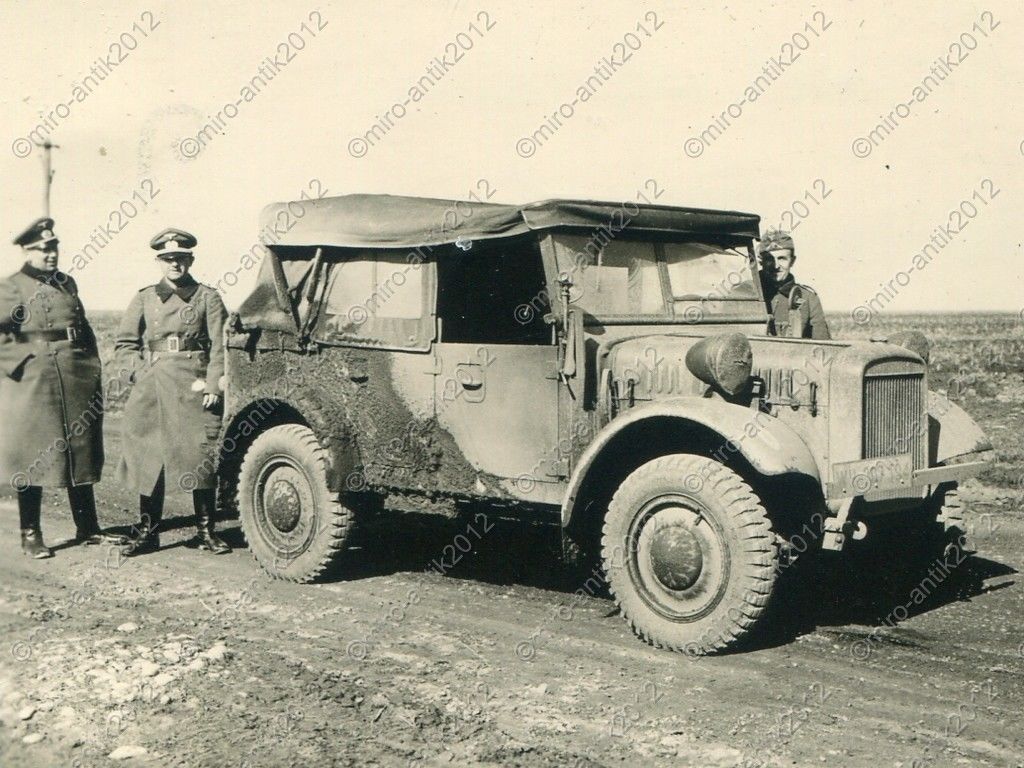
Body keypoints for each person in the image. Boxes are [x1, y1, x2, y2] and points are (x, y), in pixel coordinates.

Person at [0, 218, 120, 558]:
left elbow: (82, 327)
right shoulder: (11, 286)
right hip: (33, 380)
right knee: (33, 455)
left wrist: (93, 364)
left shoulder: (67, 283)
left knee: (80, 450)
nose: (50, 254)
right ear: (26, 251)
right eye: (42, 249)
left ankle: (88, 527)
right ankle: (30, 533)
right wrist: (20, 363)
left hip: (74, 374)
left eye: (53, 247)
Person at [116, 228, 230, 556]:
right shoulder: (144, 297)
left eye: (180, 258)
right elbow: (125, 344)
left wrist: (214, 384)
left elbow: (220, 346)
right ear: (159, 261)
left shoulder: (208, 296)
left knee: (200, 457)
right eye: (168, 259)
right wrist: (138, 375)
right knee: (150, 458)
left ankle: (206, 532)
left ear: (190, 260)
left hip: (194, 386)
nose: (174, 264)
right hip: (152, 388)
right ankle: (148, 533)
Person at [758, 230, 831, 340]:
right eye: (769, 259)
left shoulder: (808, 298)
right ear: (760, 261)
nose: (776, 266)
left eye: (782, 258)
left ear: (792, 261)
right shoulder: (744, 294)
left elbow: (823, 345)